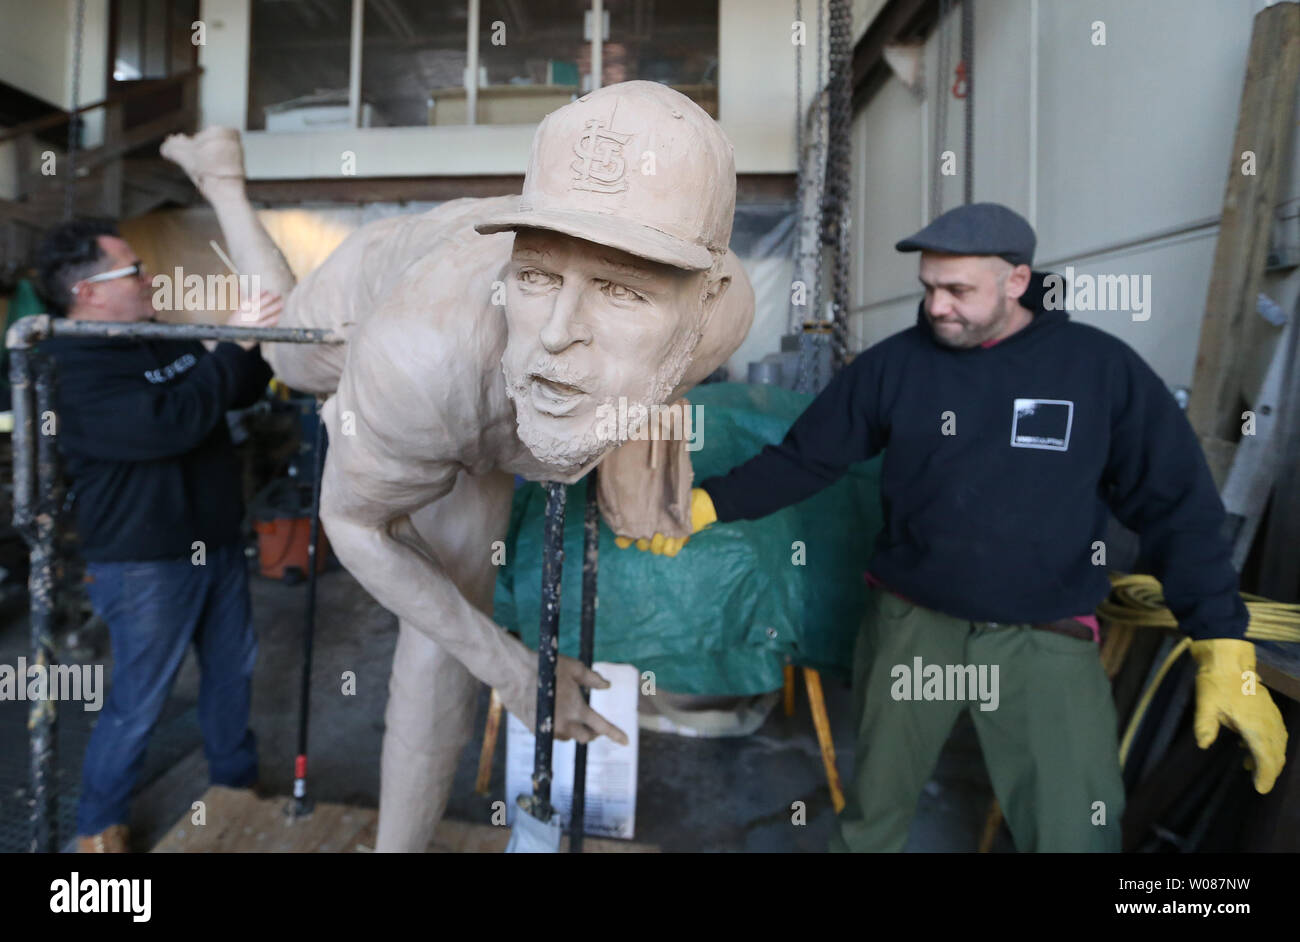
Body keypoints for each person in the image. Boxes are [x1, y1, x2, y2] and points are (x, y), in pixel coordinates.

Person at [158, 81, 756, 851]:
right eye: (537, 277)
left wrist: (629, 451)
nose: (557, 332)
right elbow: (352, 523)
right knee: (286, 353)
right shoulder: (420, 360)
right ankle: (223, 183)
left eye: (620, 290)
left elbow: (653, 377)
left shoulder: (723, 314)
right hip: (394, 296)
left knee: (452, 609)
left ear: (705, 300)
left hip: (485, 360)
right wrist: (516, 672)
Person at [629, 202, 1289, 852]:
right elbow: (805, 459)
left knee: (1075, 830)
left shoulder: (1099, 371)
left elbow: (1178, 505)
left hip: (1044, 638)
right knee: (872, 819)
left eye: (958, 290)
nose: (937, 306)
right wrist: (707, 505)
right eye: (929, 288)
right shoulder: (896, 367)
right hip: (913, 626)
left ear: (1017, 280)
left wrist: (1221, 642)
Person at [33, 217, 282, 852]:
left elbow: (229, 391)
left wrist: (258, 343)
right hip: (144, 560)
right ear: (88, 293)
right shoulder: (67, 365)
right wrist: (231, 346)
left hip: (216, 541)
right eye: (134, 270)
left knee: (232, 676)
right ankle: (98, 828)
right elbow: (168, 423)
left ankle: (236, 788)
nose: (150, 278)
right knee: (140, 699)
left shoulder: (155, 336)